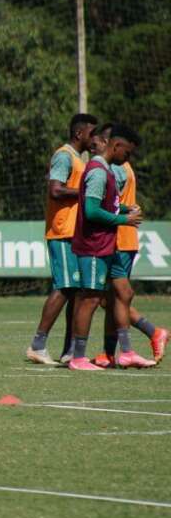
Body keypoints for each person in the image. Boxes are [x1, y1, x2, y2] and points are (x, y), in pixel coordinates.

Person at [66, 125, 144, 371]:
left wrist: (126, 208)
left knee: (123, 293)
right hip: (93, 245)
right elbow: (91, 211)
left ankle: (126, 352)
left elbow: (106, 204)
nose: (127, 158)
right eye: (127, 153)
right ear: (116, 145)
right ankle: (77, 357)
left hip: (107, 246)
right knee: (90, 298)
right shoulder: (99, 172)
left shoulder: (107, 170)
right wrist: (124, 219)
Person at [26, 114, 97, 365]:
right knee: (65, 286)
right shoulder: (64, 156)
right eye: (91, 133)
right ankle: (38, 345)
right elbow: (55, 189)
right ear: (79, 133)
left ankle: (70, 350)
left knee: (76, 291)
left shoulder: (79, 159)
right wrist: (86, 192)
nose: (94, 138)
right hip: (62, 231)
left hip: (75, 233)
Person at [89, 125, 161, 368]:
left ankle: (148, 335)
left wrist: (124, 212)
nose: (94, 148)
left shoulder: (115, 169)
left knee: (113, 296)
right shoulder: (117, 167)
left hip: (117, 238)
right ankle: (110, 353)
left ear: (108, 142)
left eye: (97, 143)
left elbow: (103, 205)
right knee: (112, 297)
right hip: (122, 237)